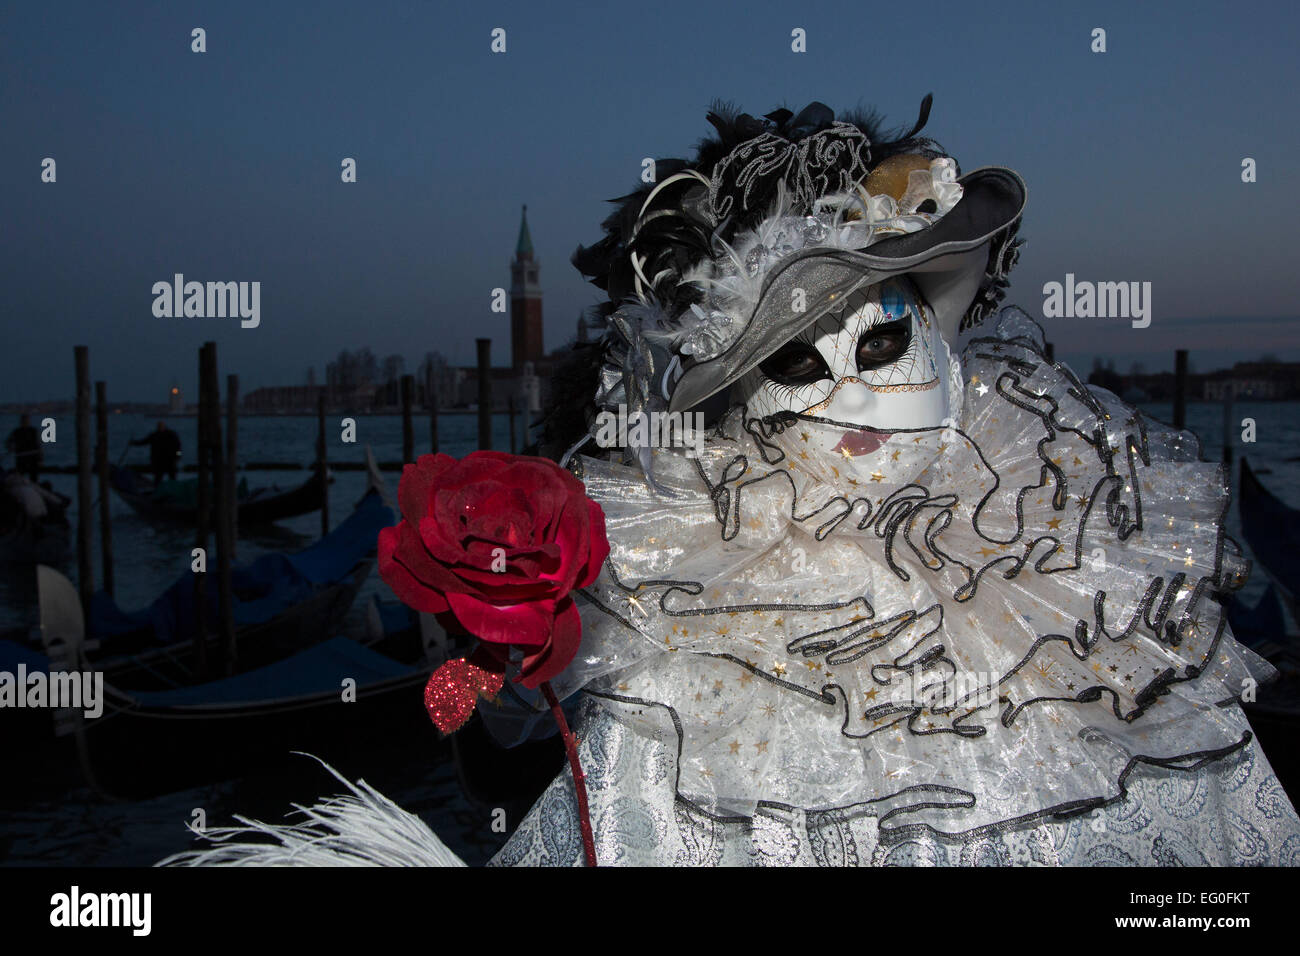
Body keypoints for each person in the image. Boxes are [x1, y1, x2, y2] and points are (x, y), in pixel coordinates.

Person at [165, 96, 1300, 867]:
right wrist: (499, 688)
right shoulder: (683, 589)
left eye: (881, 337)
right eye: (796, 362)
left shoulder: (1070, 563)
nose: (853, 395)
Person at [131, 420, 182, 488]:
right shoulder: (154, 435)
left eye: (161, 426)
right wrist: (134, 443)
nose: (160, 428)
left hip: (170, 459)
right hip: (158, 460)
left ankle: (173, 490)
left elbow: (178, 447)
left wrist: (178, 456)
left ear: (164, 426)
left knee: (172, 477)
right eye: (159, 426)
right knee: (158, 477)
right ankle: (157, 491)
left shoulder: (171, 435)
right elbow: (144, 441)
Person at [5, 413, 41, 481]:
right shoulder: (17, 431)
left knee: (34, 477)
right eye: (24, 420)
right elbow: (8, 442)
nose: (25, 422)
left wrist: (40, 458)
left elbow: (38, 445)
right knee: (20, 476)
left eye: (27, 420)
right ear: (21, 421)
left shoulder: (33, 431)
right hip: (21, 456)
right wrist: (10, 448)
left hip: (32, 456)